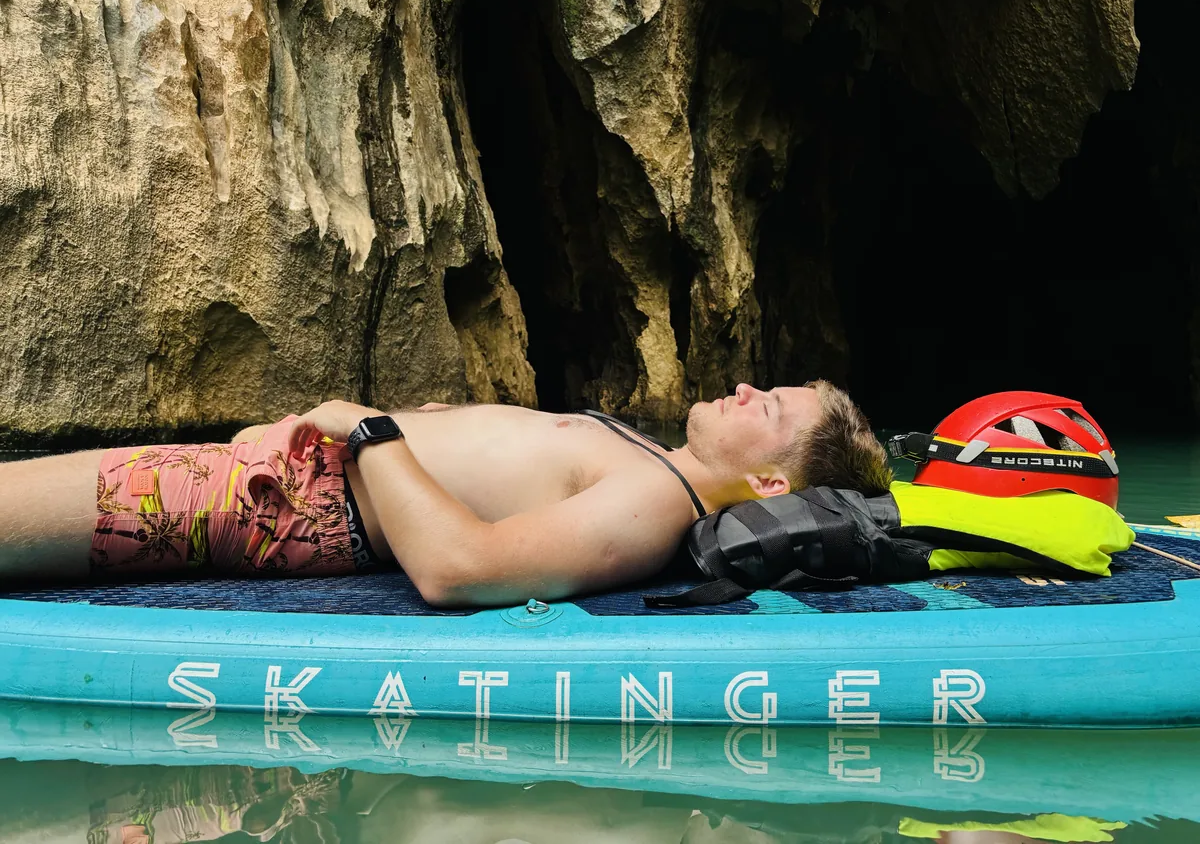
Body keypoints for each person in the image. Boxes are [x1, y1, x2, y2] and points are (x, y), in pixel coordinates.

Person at [0, 381, 891, 607]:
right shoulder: (643, 455)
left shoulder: (653, 505)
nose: (743, 391)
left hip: (266, 503)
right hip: (263, 477)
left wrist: (365, 429)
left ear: (771, 482)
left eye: (766, 407)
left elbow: (461, 568)